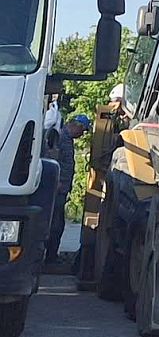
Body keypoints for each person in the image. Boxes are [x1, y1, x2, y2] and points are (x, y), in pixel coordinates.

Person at [45, 114, 89, 270]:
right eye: (82, 130)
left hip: (61, 189)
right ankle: (49, 259)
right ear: (76, 125)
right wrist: (57, 181)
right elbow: (54, 160)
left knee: (58, 223)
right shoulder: (60, 138)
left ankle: (51, 256)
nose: (82, 134)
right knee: (56, 224)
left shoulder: (66, 139)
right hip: (56, 189)